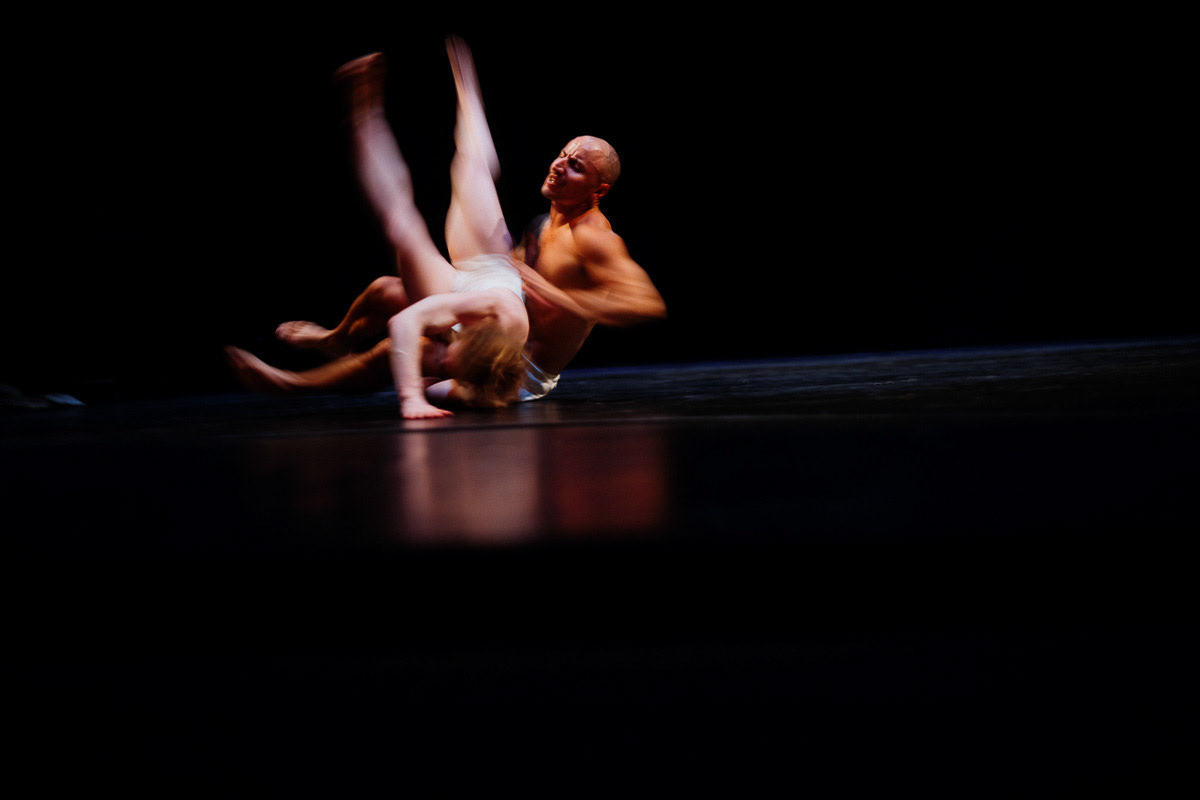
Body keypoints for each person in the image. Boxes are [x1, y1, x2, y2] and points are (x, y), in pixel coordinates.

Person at [231, 45, 667, 404]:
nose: (558, 166)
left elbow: (647, 305)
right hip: (492, 307)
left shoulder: (594, 237)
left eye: (575, 167)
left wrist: (557, 297)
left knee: (405, 317)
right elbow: (518, 286)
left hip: (513, 368)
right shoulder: (546, 222)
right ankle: (337, 339)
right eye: (563, 155)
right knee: (396, 275)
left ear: (598, 189)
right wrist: (522, 273)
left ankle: (290, 385)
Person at [228, 40, 529, 419]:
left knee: (402, 226)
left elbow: (409, 334)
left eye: (443, 364)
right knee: (473, 167)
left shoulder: (479, 384)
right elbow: (409, 322)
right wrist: (413, 396)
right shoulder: (500, 312)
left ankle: (363, 114)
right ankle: (469, 92)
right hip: (486, 276)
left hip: (457, 298)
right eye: (448, 362)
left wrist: (418, 392)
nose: (441, 362)